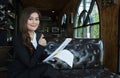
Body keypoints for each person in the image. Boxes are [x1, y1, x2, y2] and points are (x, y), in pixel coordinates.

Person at [8, 7, 58, 78]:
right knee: (47, 69)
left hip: (32, 69)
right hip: (19, 72)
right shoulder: (18, 38)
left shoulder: (39, 35)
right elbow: (30, 64)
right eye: (30, 19)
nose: (34, 22)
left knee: (49, 68)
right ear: (24, 21)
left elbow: (39, 55)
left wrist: (52, 57)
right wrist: (40, 46)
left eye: (36, 19)